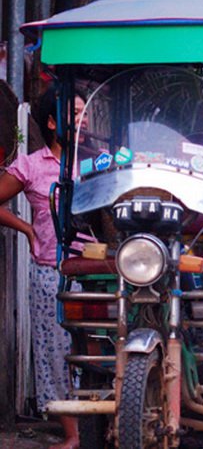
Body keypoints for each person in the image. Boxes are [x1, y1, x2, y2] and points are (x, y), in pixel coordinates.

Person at [0, 88, 83, 449]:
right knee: (56, 353)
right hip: (51, 273)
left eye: (83, 112)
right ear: (52, 122)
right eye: (74, 113)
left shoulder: (99, 163)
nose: (81, 120)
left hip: (97, 273)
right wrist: (27, 228)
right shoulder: (31, 165)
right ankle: (72, 434)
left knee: (98, 349)